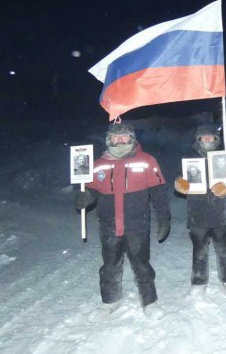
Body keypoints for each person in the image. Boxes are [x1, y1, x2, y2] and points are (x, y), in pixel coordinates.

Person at [75, 122, 171, 320]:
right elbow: (92, 188)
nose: (120, 140)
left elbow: (159, 192)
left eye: (124, 136)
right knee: (110, 264)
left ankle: (150, 302)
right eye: (116, 137)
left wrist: (164, 218)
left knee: (141, 264)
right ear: (109, 139)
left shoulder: (146, 160)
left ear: (132, 138)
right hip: (109, 225)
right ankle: (111, 300)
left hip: (137, 224)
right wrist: (86, 197)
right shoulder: (98, 164)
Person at [174, 124, 226, 296]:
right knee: (199, 248)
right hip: (197, 212)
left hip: (220, 212)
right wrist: (180, 183)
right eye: (203, 137)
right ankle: (199, 281)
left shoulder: (224, 157)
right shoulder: (189, 158)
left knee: (223, 248)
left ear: (217, 139)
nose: (207, 140)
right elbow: (180, 177)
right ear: (198, 139)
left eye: (211, 137)